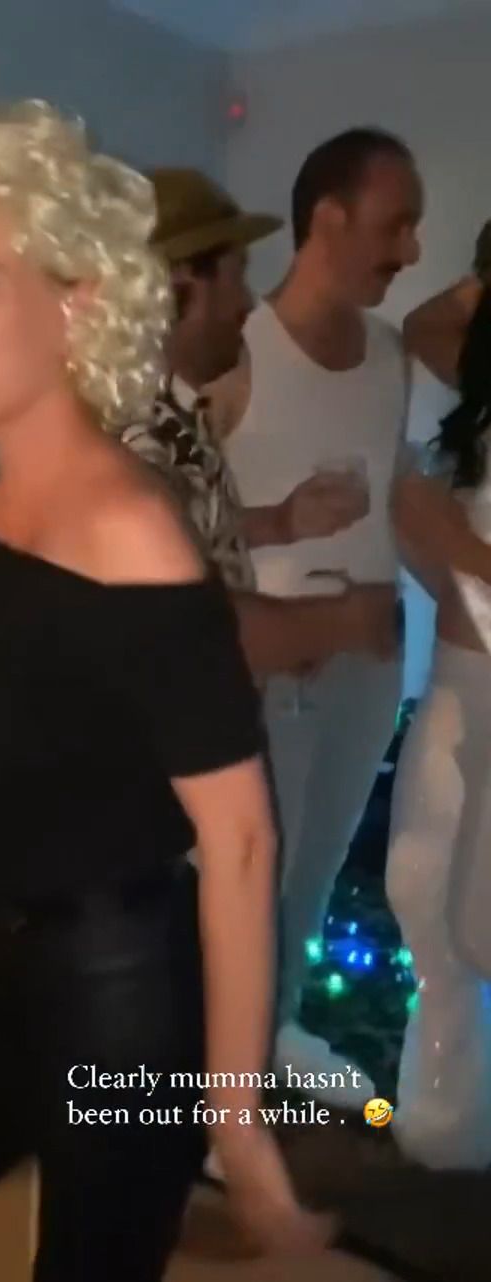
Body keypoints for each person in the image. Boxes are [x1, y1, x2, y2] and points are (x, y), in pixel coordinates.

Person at [0, 101, 333, 1282]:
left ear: (79, 303)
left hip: (124, 989)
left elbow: (240, 839)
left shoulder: (133, 534)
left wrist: (237, 1119)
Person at [219, 129, 421, 1098]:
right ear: (328, 220)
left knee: (317, 873)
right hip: (273, 669)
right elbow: (171, 526)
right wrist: (277, 526)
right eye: (396, 225)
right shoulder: (235, 351)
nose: (411, 249)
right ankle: (221, 1079)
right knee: (251, 879)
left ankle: (273, 1031)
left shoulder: (390, 354)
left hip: (369, 668)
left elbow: (397, 491)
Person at [122, 166, 397, 681]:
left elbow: (189, 535)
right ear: (181, 287)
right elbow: (176, 627)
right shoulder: (131, 437)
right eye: (237, 274)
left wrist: (281, 522)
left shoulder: (176, 413)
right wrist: (340, 622)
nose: (248, 303)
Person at [387, 227, 491, 1169]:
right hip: (462, 674)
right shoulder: (484, 386)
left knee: (479, 925)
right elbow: (423, 324)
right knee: (417, 886)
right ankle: (447, 1120)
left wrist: (450, 542)